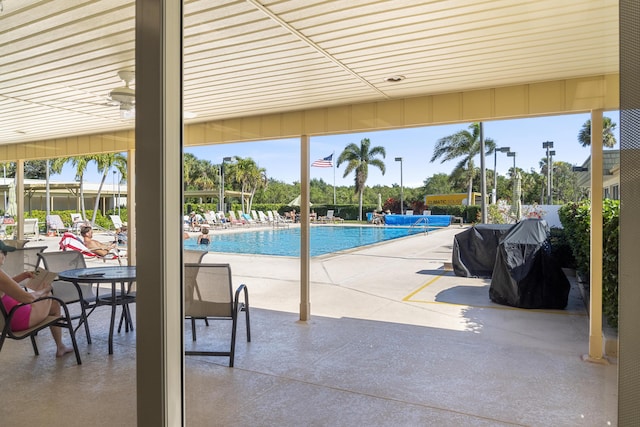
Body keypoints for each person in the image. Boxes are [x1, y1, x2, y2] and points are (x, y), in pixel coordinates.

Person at [0, 241, 74, 357]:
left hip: (4, 321)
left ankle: (60, 347)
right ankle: (60, 346)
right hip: (17, 320)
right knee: (53, 300)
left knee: (52, 304)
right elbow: (28, 298)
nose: (5, 256)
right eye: (3, 252)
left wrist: (23, 275)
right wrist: (45, 290)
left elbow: (5, 286)